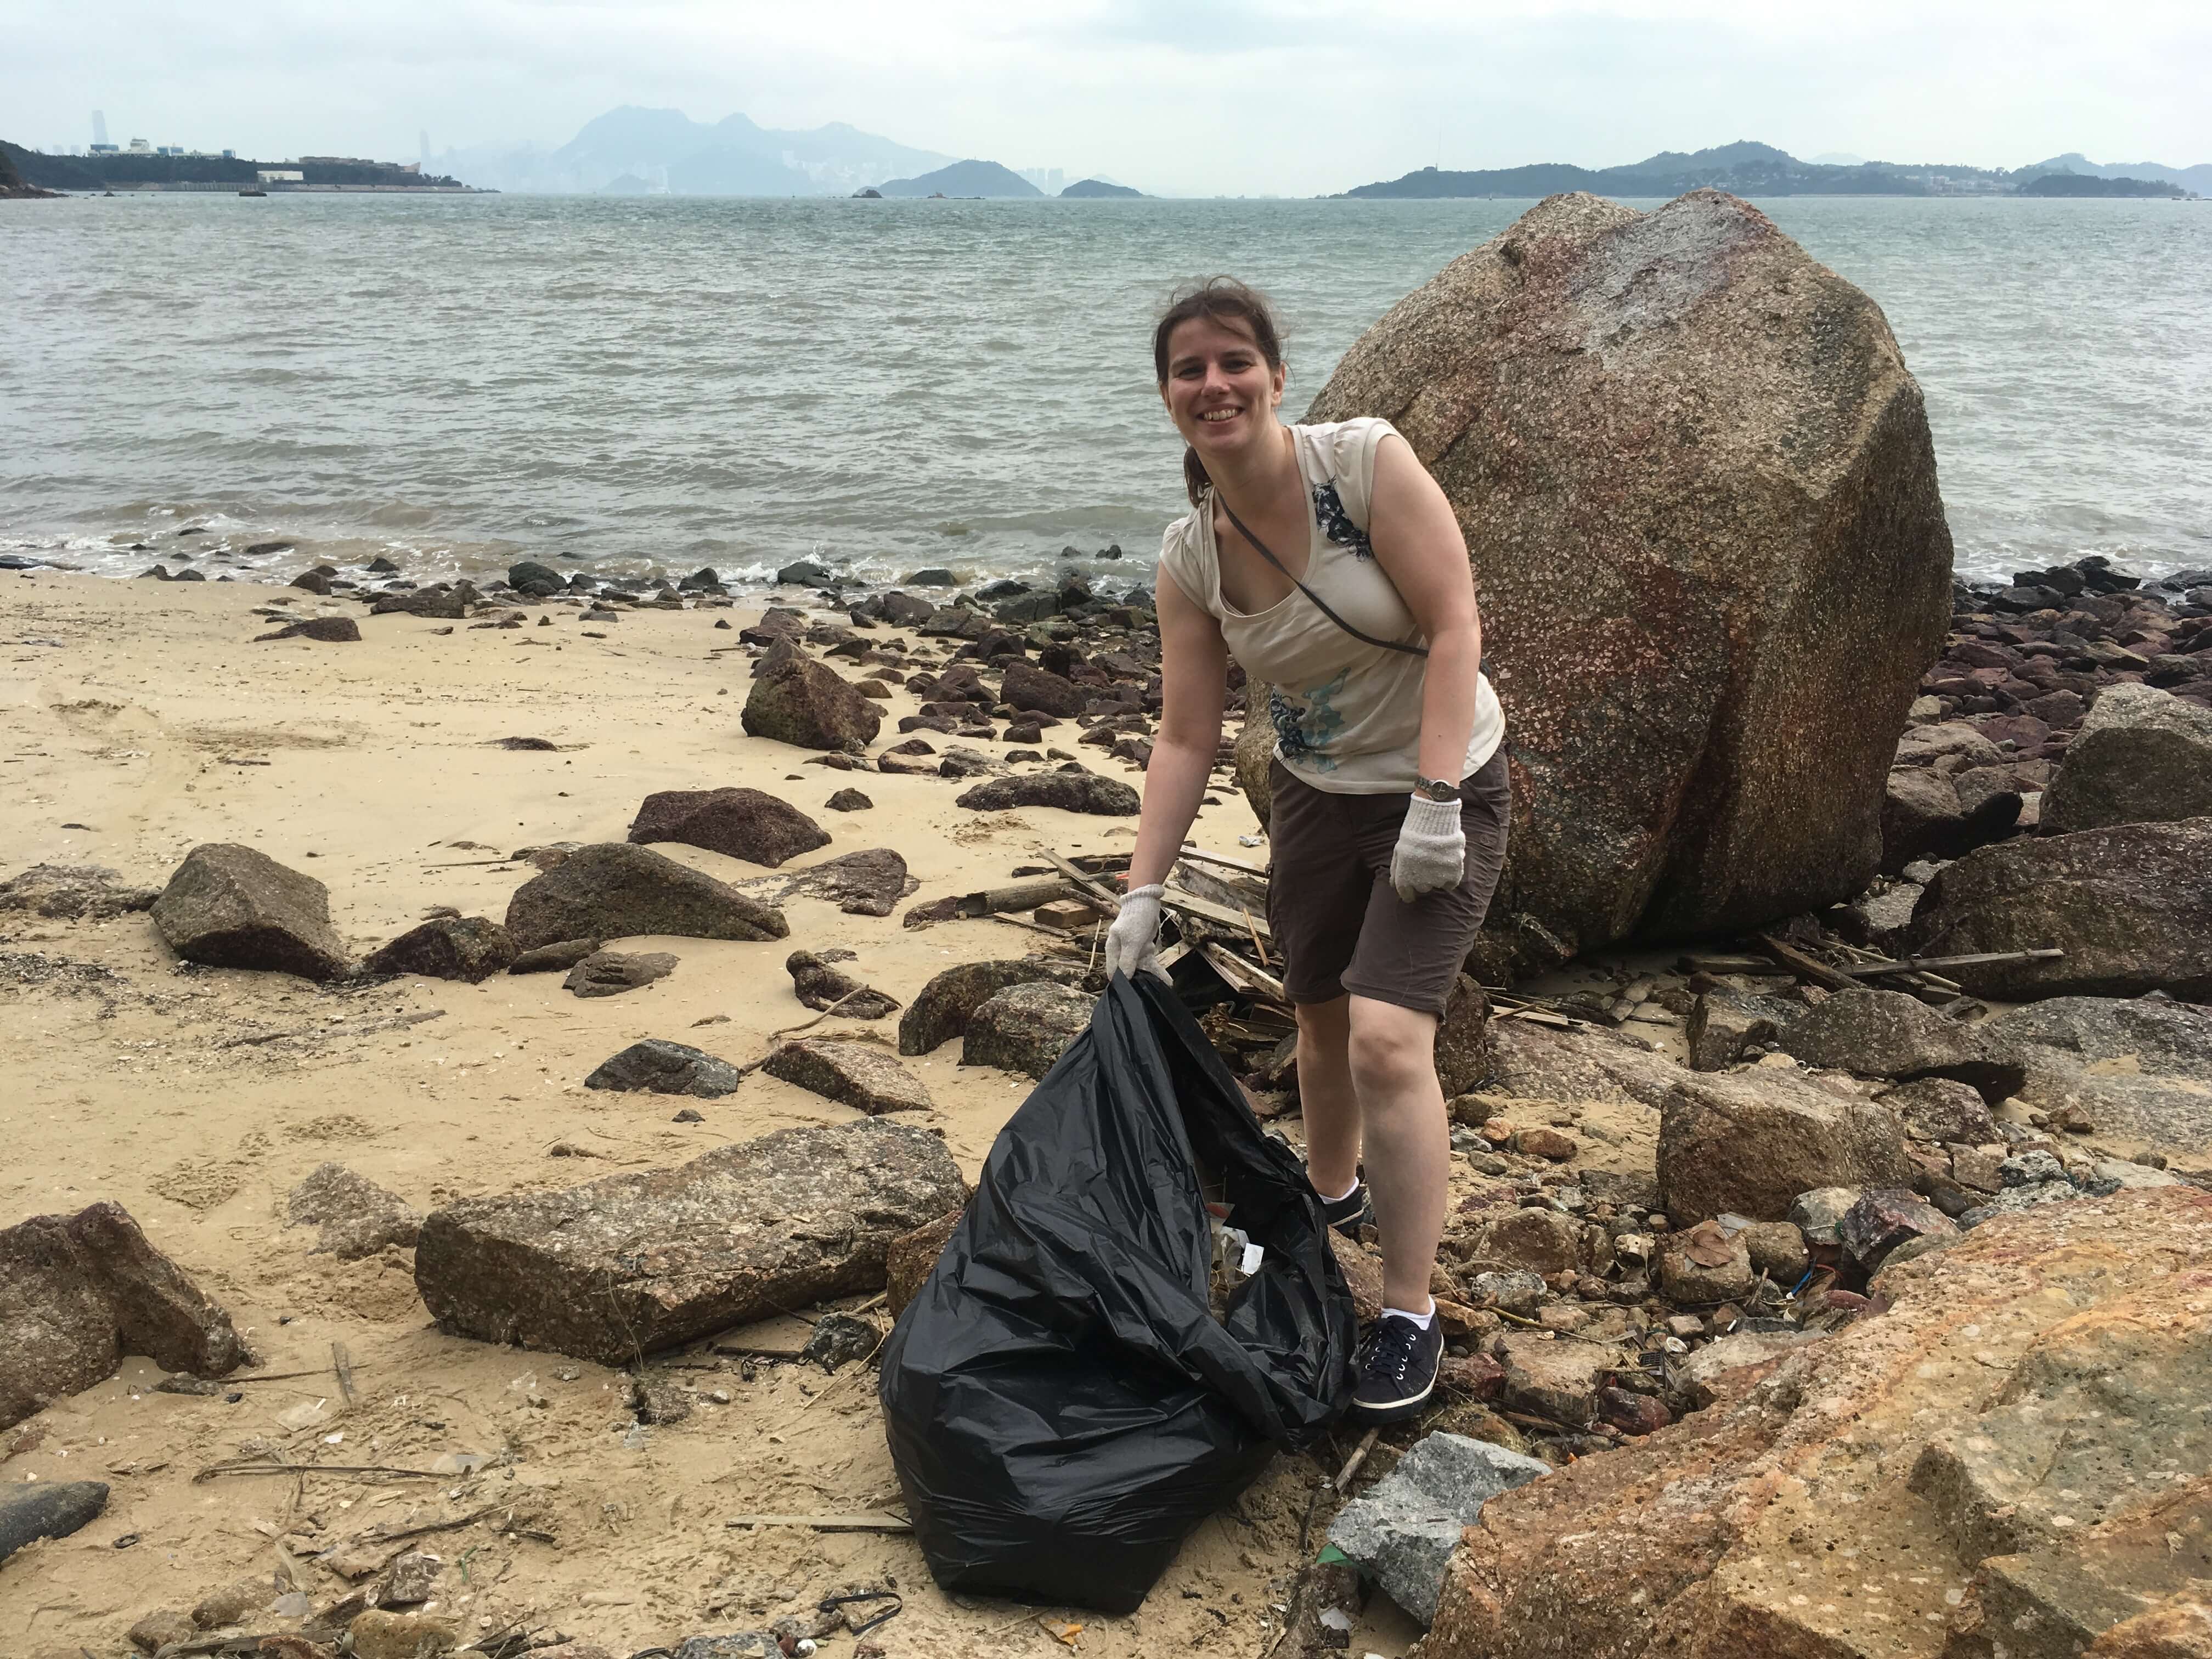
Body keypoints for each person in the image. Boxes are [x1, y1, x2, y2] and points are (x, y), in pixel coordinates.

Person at [1104, 278, 1510, 1424]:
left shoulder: (1363, 464)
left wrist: (1436, 800)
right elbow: (1187, 734)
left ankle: (1410, 1313)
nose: (1213, 384)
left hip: (1446, 780)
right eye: (1189, 370)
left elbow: (1456, 624)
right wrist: (1145, 891)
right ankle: (1329, 1202)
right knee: (1317, 1017)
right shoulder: (1192, 559)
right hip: (1320, 801)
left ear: (1276, 376)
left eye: (1233, 362)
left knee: (1388, 1039)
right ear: (1170, 398)